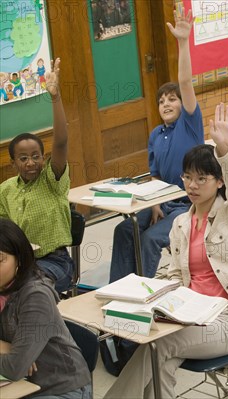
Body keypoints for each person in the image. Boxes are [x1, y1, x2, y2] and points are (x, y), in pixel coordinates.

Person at [104, 103, 228, 398]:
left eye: (201, 179)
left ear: (218, 181)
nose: (192, 185)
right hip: (188, 317)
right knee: (160, 359)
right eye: (187, 177)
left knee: (160, 346)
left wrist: (225, 150)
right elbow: (175, 275)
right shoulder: (180, 223)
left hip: (227, 322)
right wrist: (153, 298)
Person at [109, 5, 204, 282]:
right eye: (161, 101)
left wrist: (183, 42)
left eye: (172, 99)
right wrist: (154, 204)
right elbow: (155, 175)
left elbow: (185, 81)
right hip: (163, 203)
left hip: (189, 206)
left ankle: (144, 295)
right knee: (124, 231)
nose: (166, 103)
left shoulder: (190, 123)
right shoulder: (155, 134)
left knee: (150, 239)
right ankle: (121, 289)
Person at [0, 58, 74, 294]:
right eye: (23, 158)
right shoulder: (6, 190)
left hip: (55, 263)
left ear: (44, 158)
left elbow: (61, 142)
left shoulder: (51, 180)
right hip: (20, 264)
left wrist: (55, 96)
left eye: (36, 156)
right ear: (13, 164)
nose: (31, 162)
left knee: (28, 287)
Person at [0, 219, 91, 397]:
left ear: (19, 259)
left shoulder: (36, 295)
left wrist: (15, 355)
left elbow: (14, 368)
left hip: (60, 389)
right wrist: (7, 348)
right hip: (19, 385)